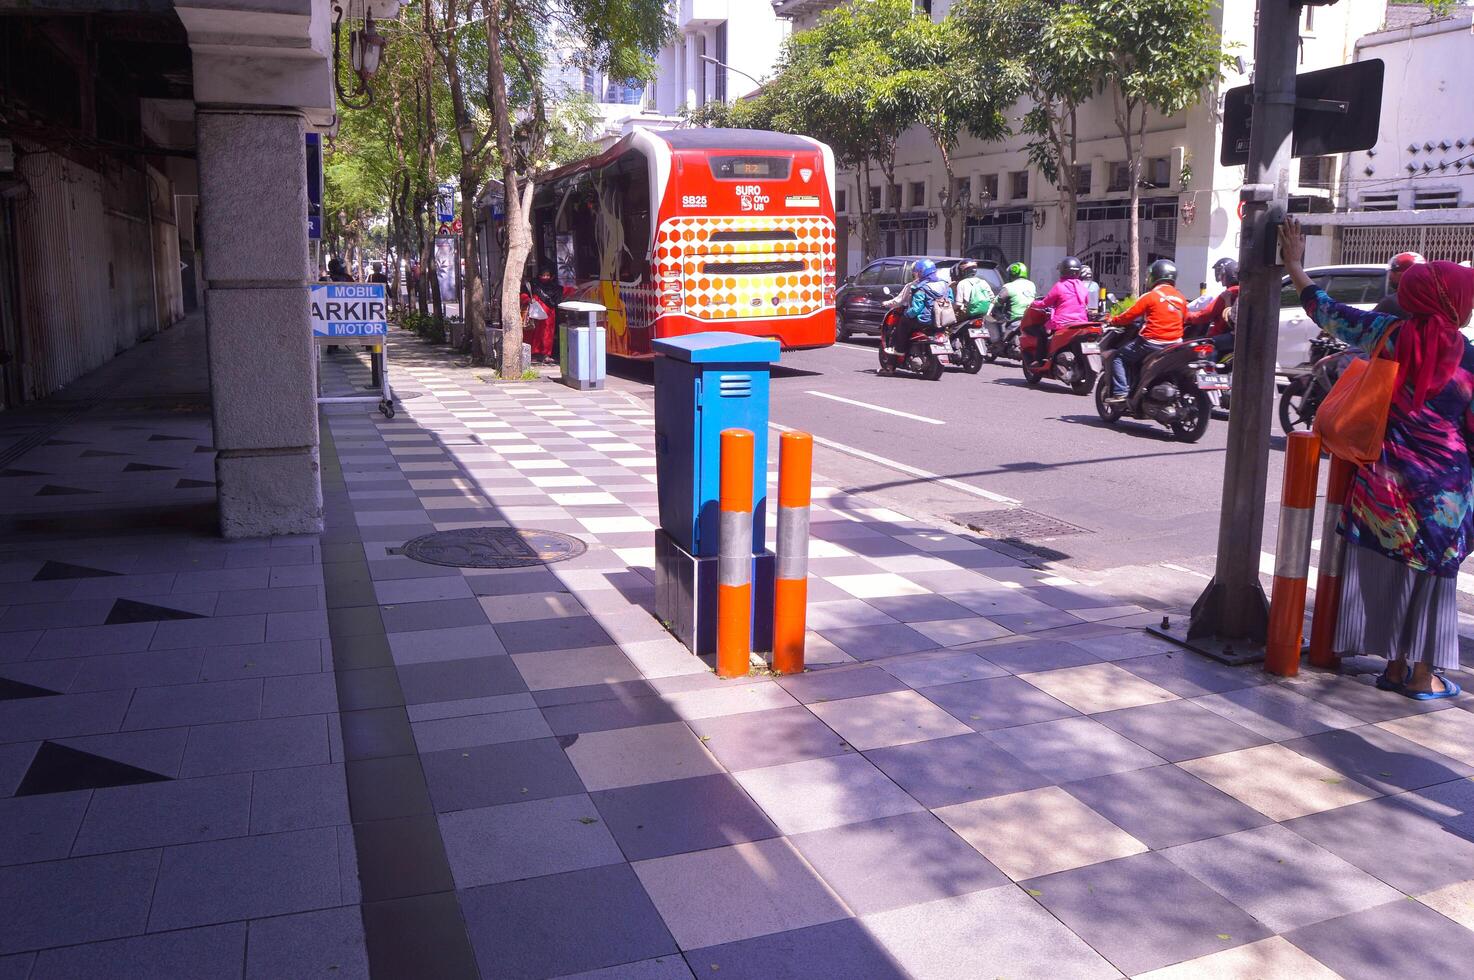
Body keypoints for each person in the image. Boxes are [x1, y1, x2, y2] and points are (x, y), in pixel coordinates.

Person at [1280, 215, 1474, 700]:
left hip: (1384, 480)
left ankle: (1393, 665)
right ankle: (1423, 675)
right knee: (1433, 579)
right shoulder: (1469, 356)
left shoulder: (1386, 333)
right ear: (1454, 302)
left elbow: (1324, 308)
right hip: (1444, 491)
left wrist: (1295, 263)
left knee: (1389, 567)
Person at [1107, 258, 1188, 400]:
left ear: (1154, 276)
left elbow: (1129, 316)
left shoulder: (1150, 296)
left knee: (1118, 357)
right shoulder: (1181, 298)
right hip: (1175, 344)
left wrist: (1113, 320)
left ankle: (1120, 392)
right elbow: (1185, 318)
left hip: (1151, 343)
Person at [881, 258, 953, 371]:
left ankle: (898, 352)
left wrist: (906, 314)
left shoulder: (920, 287)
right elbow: (950, 300)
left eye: (916, 272)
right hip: (941, 320)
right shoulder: (945, 285)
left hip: (923, 320)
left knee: (901, 327)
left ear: (921, 272)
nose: (915, 274)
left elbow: (916, 309)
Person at [1027, 256, 1091, 368]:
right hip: (1081, 323)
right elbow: (1086, 302)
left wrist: (1033, 303)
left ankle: (1040, 360)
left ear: (1063, 271)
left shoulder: (1059, 286)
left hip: (1061, 323)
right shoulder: (1082, 286)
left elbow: (1045, 303)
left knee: (1042, 332)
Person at [1185, 258, 1239, 346]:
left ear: (1228, 274)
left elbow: (1204, 315)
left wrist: (1185, 316)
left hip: (1220, 335)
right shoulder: (1242, 292)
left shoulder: (1228, 293)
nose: (1220, 278)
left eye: (1222, 275)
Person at [1373, 251, 1425, 318]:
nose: (1390, 276)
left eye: (1393, 271)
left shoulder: (1391, 302)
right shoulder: (1433, 299)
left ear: (1403, 275)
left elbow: (1369, 324)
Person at [994, 262, 1037, 328]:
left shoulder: (1008, 286)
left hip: (1014, 321)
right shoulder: (1031, 285)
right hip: (1029, 320)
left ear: (1013, 273)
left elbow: (996, 303)